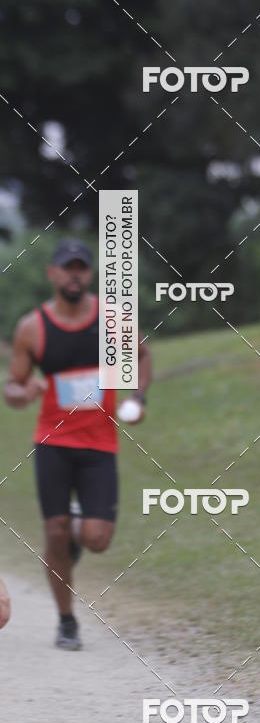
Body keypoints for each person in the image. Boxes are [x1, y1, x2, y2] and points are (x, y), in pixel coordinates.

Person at [4, 238, 152, 650]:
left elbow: (141, 356)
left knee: (96, 539)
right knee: (54, 533)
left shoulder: (110, 319)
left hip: (100, 444)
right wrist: (25, 391)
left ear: (89, 274)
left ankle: (72, 531)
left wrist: (137, 398)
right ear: (52, 273)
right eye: (66, 267)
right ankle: (67, 620)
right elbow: (12, 389)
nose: (74, 274)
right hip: (52, 442)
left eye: (81, 268)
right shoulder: (33, 327)